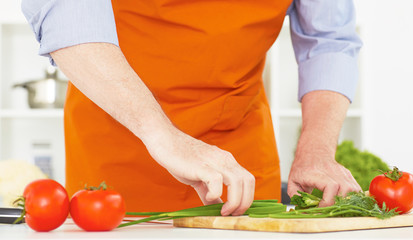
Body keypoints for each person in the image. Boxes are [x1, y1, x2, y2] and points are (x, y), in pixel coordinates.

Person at [21, 0, 362, 215]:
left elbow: (329, 40)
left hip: (240, 162)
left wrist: (316, 149)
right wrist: (161, 134)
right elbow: (65, 13)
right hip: (118, 143)